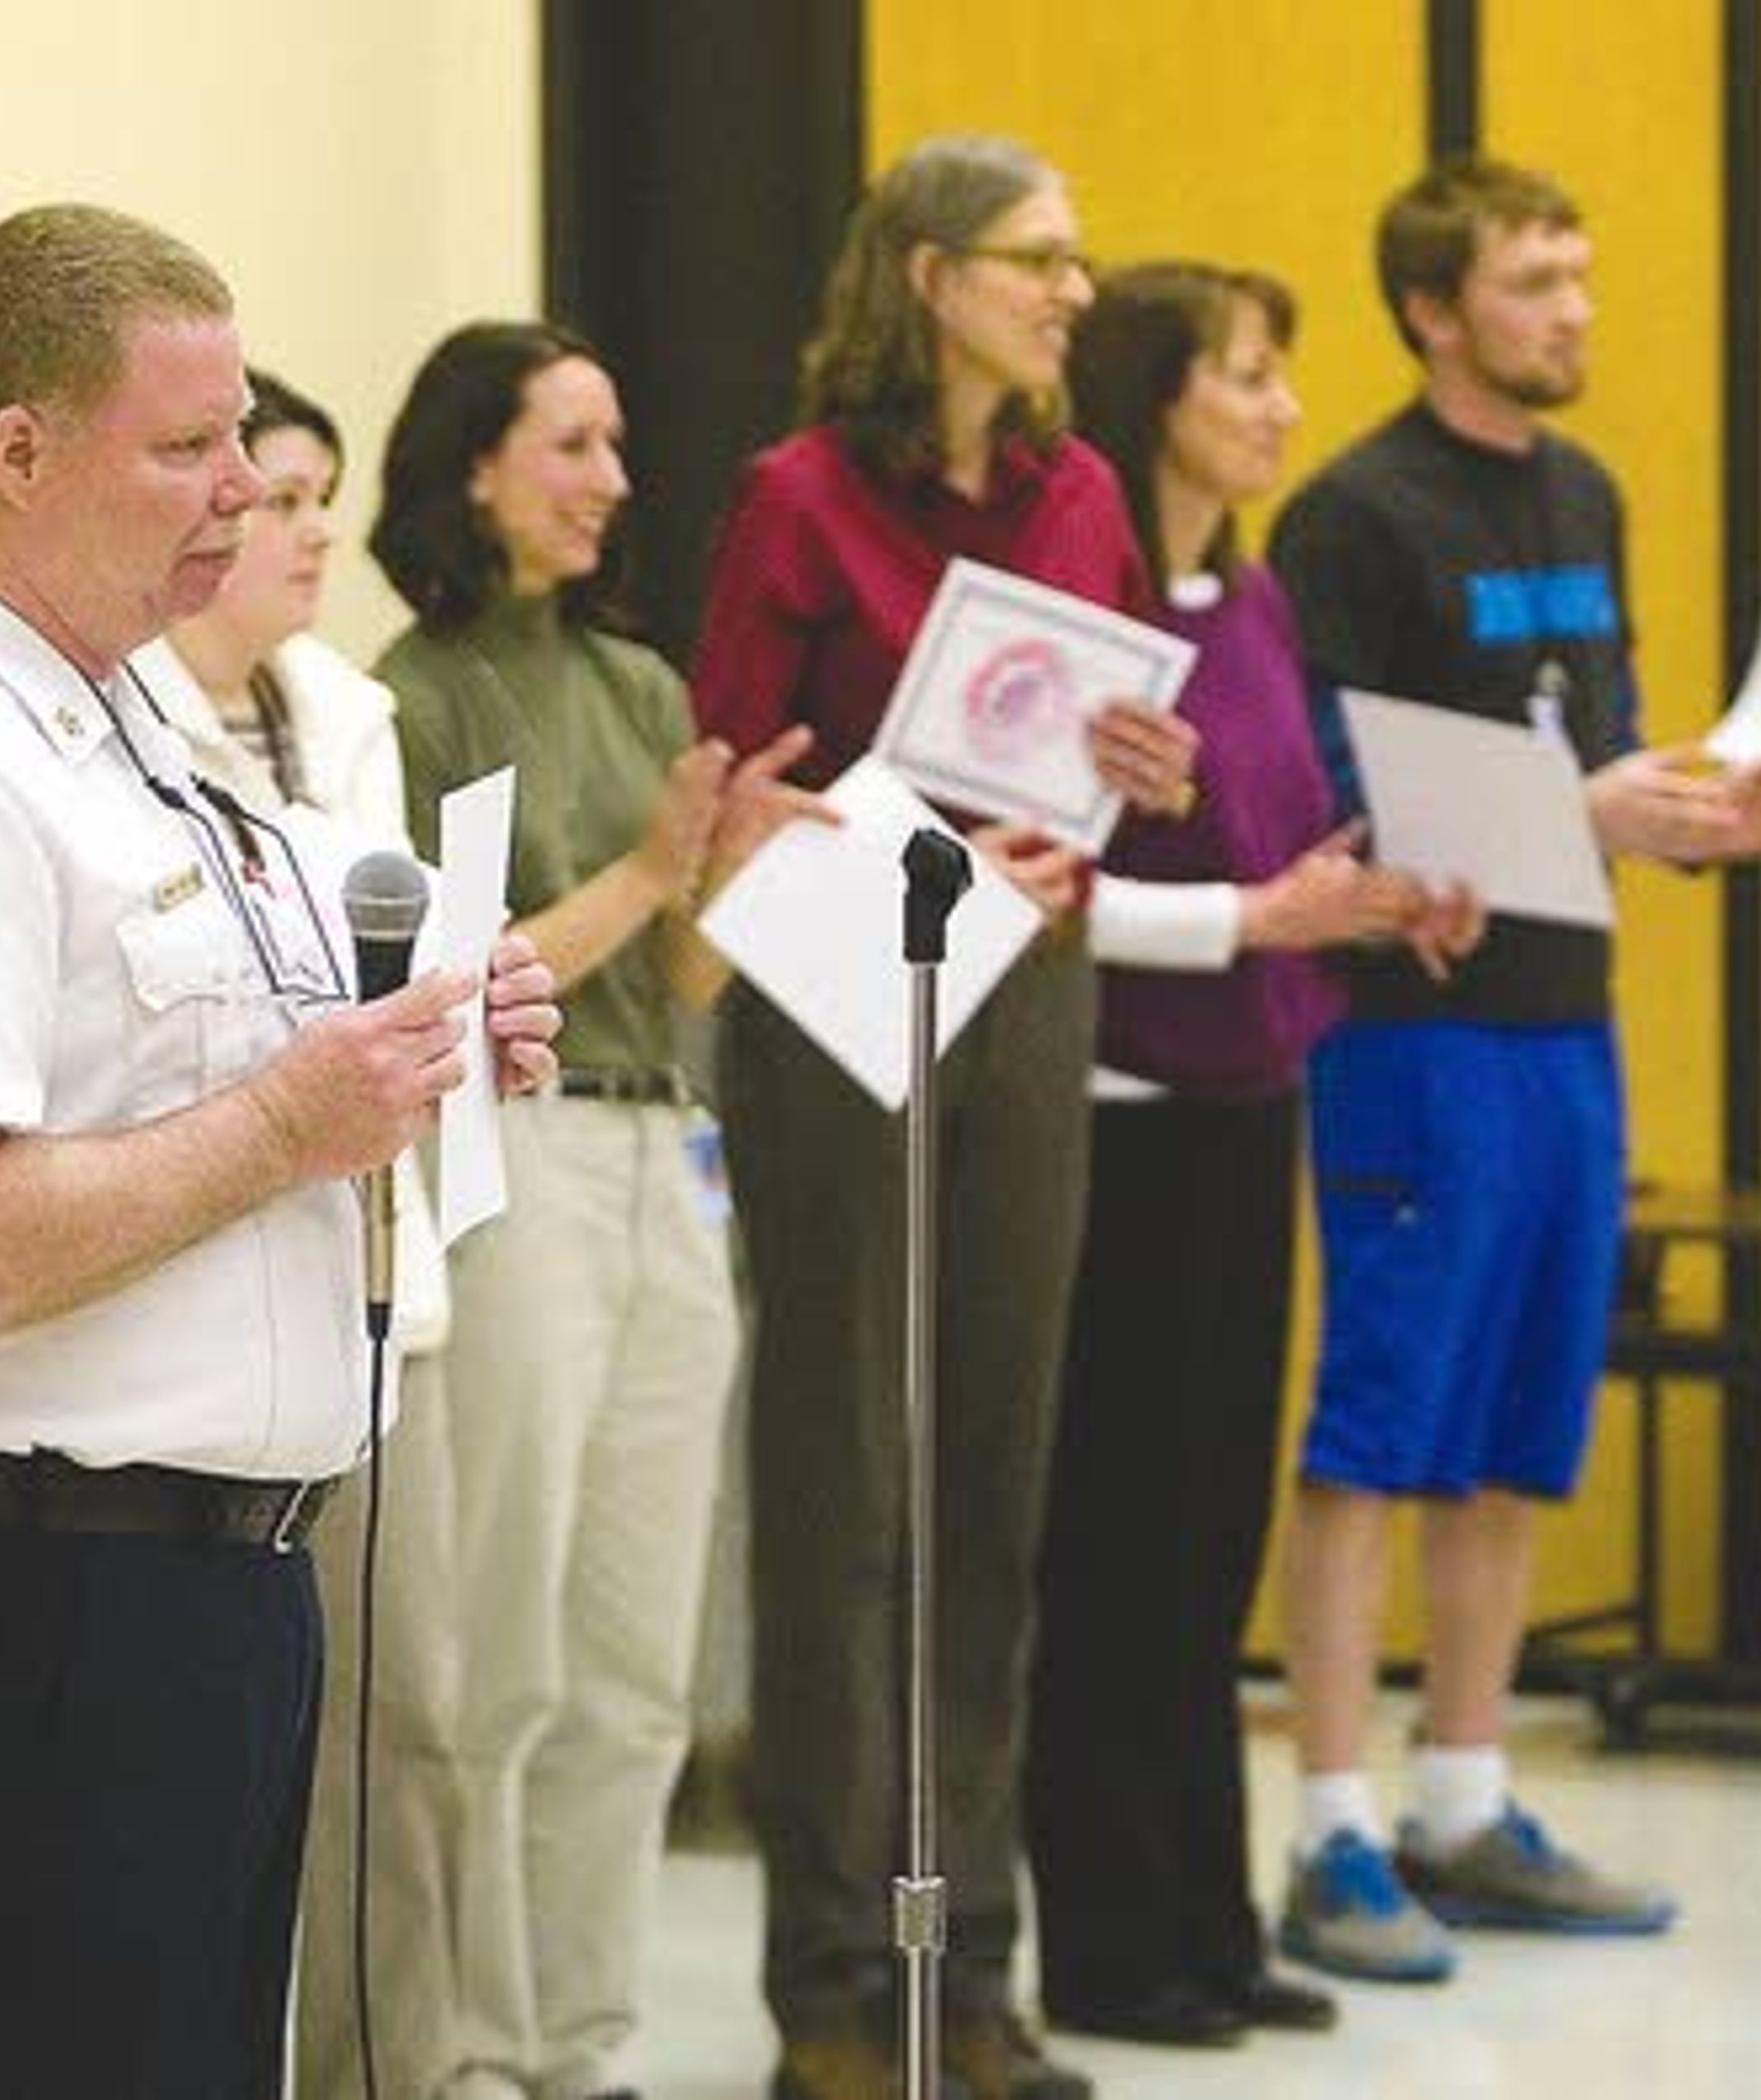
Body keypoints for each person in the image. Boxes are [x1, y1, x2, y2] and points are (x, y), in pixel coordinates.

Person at [0, 203, 561, 2098]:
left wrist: (431, 1012)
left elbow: (216, 1039)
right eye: (186, 446)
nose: (247, 487)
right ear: (17, 452)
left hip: (209, 1591)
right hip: (36, 1602)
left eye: (244, 434)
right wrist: (292, 1119)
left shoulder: (123, 716)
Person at [688, 134, 1201, 2100]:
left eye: (1077, 260)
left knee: (996, 1474)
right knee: (844, 1492)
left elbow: (1115, 748)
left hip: (1028, 980)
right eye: (1036, 259)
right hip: (838, 992)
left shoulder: (1079, 493)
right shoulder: (795, 499)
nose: (1074, 292)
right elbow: (738, 783)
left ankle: (968, 1962)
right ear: (926, 274)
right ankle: (833, 1978)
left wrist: (1130, 764)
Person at [1264, 156, 1761, 1985]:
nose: (1573, 309)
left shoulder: (1587, 489)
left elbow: (1610, 746)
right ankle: (1332, 1828)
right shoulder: (1350, 515)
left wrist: (1704, 813)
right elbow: (1329, 793)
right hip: (1412, 1030)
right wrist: (1582, 802)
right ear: (1433, 311)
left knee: (1513, 1434)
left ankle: (1464, 1800)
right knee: (1377, 1430)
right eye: (1531, 283)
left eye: (1580, 274)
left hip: (1568, 1011)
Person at [1020, 260, 1478, 2051]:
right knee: (1118, 1543)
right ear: (1159, 400)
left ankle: (1207, 1921)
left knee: (1211, 1543)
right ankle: (1114, 1941)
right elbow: (1052, 887)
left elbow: (1284, 849)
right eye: (1249, 375)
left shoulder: (1259, 597)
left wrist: (1369, 901)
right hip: (1120, 1110)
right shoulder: (1093, 610)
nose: (1284, 407)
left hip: (1252, 1096)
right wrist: (1255, 919)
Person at [368, 318, 820, 2100]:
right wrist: (652, 869)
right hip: (516, 1163)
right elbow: (468, 980)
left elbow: (683, 982)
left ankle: (591, 2039)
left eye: (618, 445)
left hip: (663, 1155)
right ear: (477, 463)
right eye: (572, 444)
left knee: (638, 1652)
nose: (613, 483)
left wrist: (725, 875)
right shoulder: (415, 695)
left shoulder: (638, 684)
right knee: (511, 1639)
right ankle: (474, 2040)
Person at [123, 368, 467, 2100]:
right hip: (215, 1300)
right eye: (278, 490)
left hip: (379, 1280)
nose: (311, 526)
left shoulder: (341, 711)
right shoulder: (116, 724)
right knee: (246, 1773)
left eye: (325, 491)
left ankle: (396, 2068)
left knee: (410, 1733)